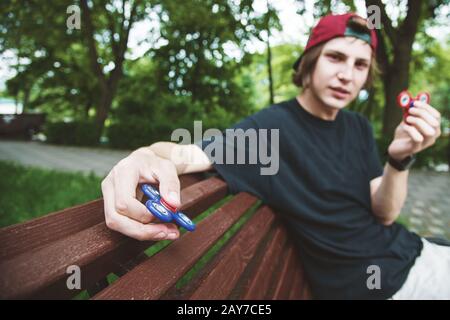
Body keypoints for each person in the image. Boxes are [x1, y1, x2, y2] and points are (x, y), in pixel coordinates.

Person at [101, 13, 449, 299]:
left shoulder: (357, 125)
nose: (347, 74)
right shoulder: (273, 130)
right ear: (310, 61)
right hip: (385, 285)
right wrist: (146, 156)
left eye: (360, 65)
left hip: (415, 250)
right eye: (336, 57)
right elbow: (186, 153)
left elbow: (385, 213)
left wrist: (399, 158)